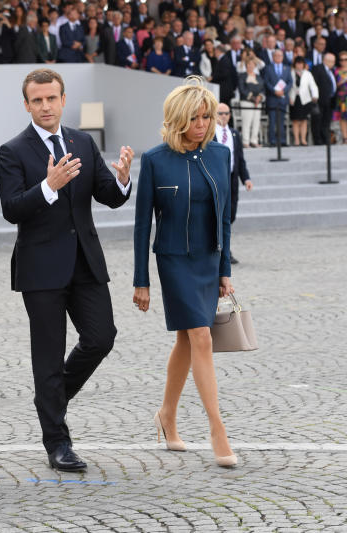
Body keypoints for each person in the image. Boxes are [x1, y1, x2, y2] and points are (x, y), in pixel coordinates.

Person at [0, 68, 133, 472]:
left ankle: (51, 398)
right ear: (26, 105)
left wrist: (122, 179)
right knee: (48, 357)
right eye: (37, 100)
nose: (45, 106)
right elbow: (11, 208)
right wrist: (48, 186)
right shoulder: (12, 151)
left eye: (51, 98)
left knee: (101, 337)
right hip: (41, 270)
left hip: (85, 263)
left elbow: (108, 196)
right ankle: (57, 443)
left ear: (63, 100)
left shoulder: (82, 142)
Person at [133, 77, 237, 469]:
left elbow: (224, 218)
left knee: (186, 339)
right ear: (177, 118)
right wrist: (141, 280)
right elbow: (142, 226)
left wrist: (225, 269)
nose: (201, 124)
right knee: (201, 337)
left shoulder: (220, 155)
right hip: (174, 260)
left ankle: (167, 414)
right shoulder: (155, 159)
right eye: (193, 118)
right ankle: (217, 428)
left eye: (206, 117)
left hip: (209, 260)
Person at [214, 103, 252, 264]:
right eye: (220, 113)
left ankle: (223, 246)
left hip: (231, 178)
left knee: (231, 214)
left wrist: (246, 178)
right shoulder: (210, 134)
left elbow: (240, 159)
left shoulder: (234, 134)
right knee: (218, 215)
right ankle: (223, 250)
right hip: (216, 179)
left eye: (226, 113)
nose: (224, 116)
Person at [263, 49, 292, 147]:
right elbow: (266, 82)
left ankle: (282, 140)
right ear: (273, 57)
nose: (278, 57)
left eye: (280, 56)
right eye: (276, 56)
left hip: (283, 98)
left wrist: (284, 91)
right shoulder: (268, 68)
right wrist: (274, 91)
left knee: (281, 121)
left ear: (283, 57)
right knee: (272, 121)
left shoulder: (287, 68)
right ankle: (272, 140)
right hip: (272, 98)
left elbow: (290, 82)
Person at [289, 56, 319, 145]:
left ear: (303, 65)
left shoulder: (307, 74)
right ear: (295, 64)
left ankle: (303, 139)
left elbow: (313, 85)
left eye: (301, 64)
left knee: (304, 120)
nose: (299, 65)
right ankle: (296, 140)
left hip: (305, 99)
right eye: (297, 64)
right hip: (294, 98)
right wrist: (289, 98)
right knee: (295, 120)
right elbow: (288, 87)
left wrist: (315, 95)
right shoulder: (291, 73)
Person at [238, 58, 266, 147]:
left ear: (255, 66)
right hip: (247, 102)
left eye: (252, 64)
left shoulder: (258, 77)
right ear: (246, 65)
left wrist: (259, 97)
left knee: (256, 122)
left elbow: (263, 89)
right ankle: (245, 142)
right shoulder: (242, 76)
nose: (251, 66)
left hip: (258, 103)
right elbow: (242, 89)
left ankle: (254, 141)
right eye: (249, 64)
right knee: (247, 122)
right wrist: (253, 98)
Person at [311, 53, 337, 145]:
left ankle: (325, 139)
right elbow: (314, 83)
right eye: (332, 61)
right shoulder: (318, 68)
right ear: (326, 61)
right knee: (318, 121)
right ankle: (318, 140)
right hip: (319, 100)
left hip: (330, 100)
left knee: (326, 121)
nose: (333, 63)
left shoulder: (331, 71)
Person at [337, 53, 347, 143]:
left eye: (345, 59)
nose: (344, 61)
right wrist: (343, 80)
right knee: (343, 117)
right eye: (341, 60)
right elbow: (333, 84)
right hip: (342, 98)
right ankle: (345, 137)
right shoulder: (337, 71)